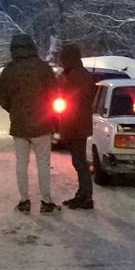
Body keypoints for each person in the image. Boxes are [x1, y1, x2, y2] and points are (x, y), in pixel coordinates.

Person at [0, 34, 59, 213]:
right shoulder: (43, 68)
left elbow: (2, 98)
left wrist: (15, 110)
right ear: (32, 47)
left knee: (22, 163)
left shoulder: (9, 70)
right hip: (42, 124)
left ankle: (24, 201)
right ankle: (46, 202)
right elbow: (54, 93)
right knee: (43, 163)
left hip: (19, 125)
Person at [56, 43, 98, 210]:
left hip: (76, 125)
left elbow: (72, 104)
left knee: (80, 162)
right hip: (80, 124)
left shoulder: (74, 76)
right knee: (79, 162)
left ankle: (85, 197)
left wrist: (66, 129)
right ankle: (83, 194)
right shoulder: (82, 74)